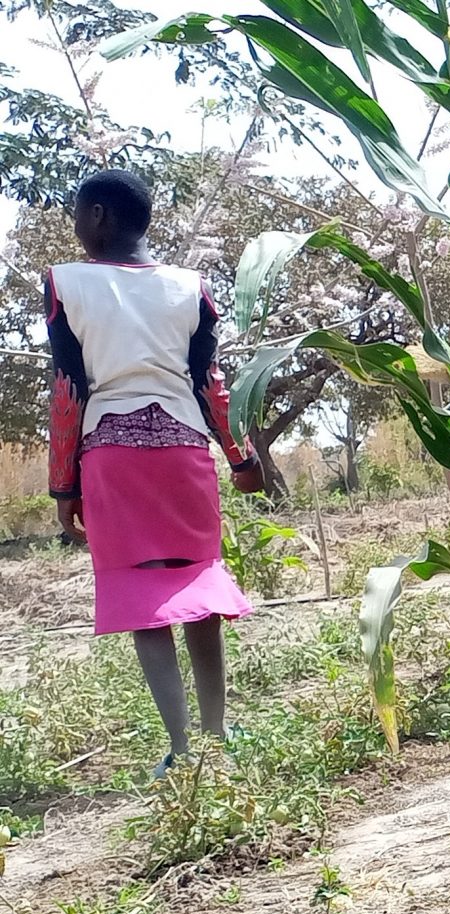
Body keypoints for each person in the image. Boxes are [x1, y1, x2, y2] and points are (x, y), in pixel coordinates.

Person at [46, 170, 265, 777]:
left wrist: (63, 485)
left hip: (111, 458)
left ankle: (180, 748)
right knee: (199, 592)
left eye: (76, 213)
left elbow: (68, 389)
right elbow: (209, 384)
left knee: (145, 603)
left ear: (98, 218)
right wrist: (241, 457)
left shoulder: (67, 284)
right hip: (184, 452)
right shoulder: (189, 287)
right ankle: (218, 730)